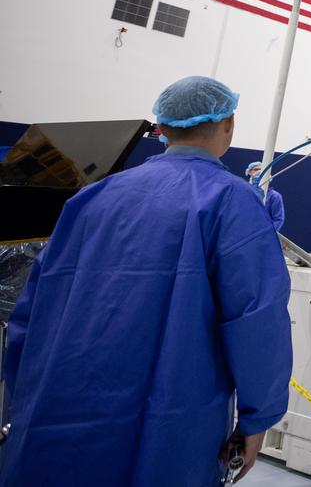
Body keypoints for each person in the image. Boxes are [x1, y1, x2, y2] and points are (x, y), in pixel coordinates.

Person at [1, 75, 291, 485]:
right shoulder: (232, 202)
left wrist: (24, 396)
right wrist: (256, 419)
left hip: (61, 410)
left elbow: (31, 312)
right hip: (169, 422)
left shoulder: (91, 198)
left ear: (162, 127)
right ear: (228, 124)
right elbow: (258, 319)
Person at [245, 160, 285, 231]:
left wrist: (267, 234)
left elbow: (278, 219)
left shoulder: (274, 196)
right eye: (256, 169)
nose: (260, 172)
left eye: (263, 170)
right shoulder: (241, 191)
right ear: (249, 172)